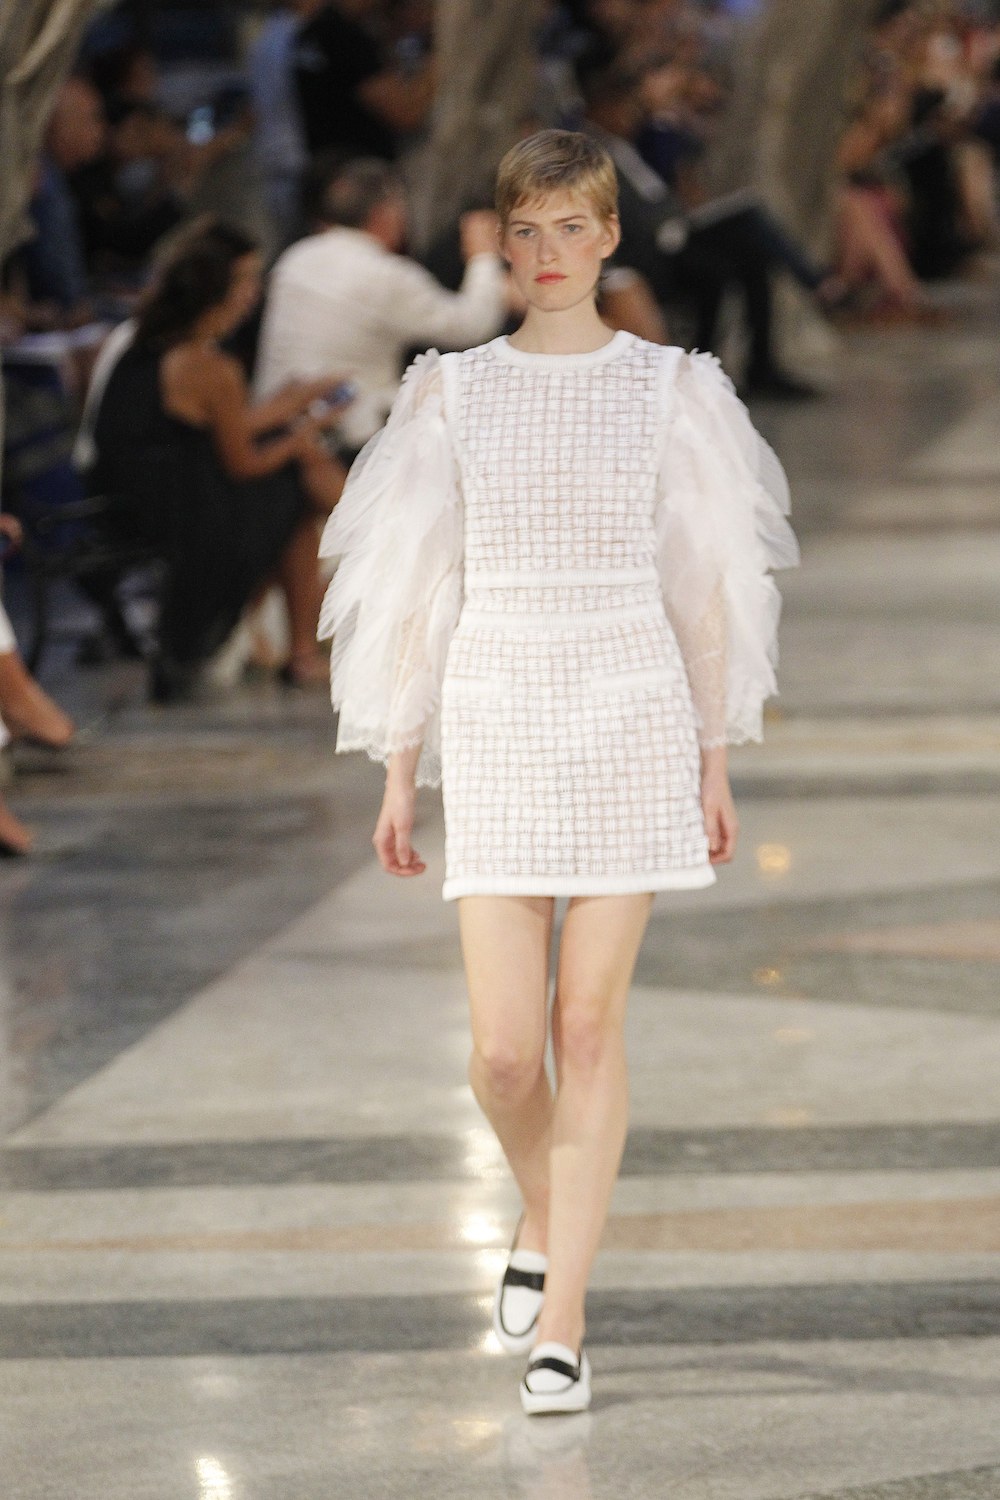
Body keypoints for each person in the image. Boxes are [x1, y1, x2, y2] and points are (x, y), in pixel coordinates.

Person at [318, 130, 798, 1414]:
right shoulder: (449, 390)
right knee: (500, 1058)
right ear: (500, 239)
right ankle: (547, 1210)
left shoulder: (672, 388)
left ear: (609, 237)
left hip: (631, 703)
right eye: (524, 232)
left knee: (585, 1027)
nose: (547, 254)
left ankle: (566, 1321)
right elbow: (414, 586)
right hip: (499, 707)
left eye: (570, 229)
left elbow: (708, 585)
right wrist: (398, 768)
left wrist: (714, 756)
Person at [87, 220, 348, 699]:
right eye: (247, 280)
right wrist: (304, 430)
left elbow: (204, 429)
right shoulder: (210, 366)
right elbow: (242, 463)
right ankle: (307, 642)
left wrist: (289, 411)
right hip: (175, 515)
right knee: (296, 480)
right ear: (219, 290)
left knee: (295, 470)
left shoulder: (149, 343)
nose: (254, 293)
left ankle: (297, 647)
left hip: (130, 496)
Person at [255, 156, 508, 454]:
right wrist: (483, 256)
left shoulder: (295, 257)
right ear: (383, 213)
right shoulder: (386, 276)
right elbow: (473, 326)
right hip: (340, 440)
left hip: (267, 423)